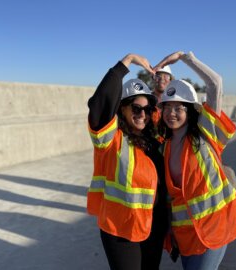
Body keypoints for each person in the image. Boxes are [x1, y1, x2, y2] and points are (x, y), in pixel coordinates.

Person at [155, 51, 236, 270]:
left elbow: (215, 83)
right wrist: (170, 232)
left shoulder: (206, 133)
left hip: (215, 228)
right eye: (167, 107)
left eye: (179, 107)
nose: (171, 113)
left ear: (190, 110)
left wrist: (185, 58)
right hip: (186, 237)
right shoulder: (165, 146)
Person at [86, 53, 168, 270]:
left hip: (153, 225)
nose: (143, 114)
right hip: (121, 229)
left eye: (147, 109)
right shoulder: (111, 138)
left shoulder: (153, 138)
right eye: (136, 108)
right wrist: (127, 61)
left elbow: (176, 110)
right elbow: (99, 103)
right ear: (122, 107)